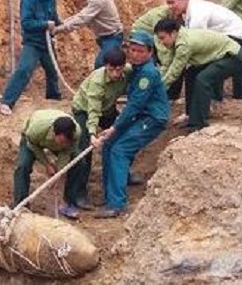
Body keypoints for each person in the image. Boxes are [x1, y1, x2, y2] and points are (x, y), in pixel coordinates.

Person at [95, 31, 170, 218]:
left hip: (151, 119)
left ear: (150, 52)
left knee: (120, 150)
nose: (135, 54)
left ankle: (117, 204)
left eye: (140, 51)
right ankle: (117, 185)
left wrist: (115, 127)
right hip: (141, 116)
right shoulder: (136, 69)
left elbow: (134, 105)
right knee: (109, 146)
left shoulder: (147, 74)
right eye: (132, 50)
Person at [163, 0, 242, 105]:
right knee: (215, 63)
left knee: (214, 64)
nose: (171, 7)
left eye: (172, 2)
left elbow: (196, 45)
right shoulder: (192, 9)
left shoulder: (197, 14)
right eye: (168, 4)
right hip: (229, 33)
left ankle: (231, 100)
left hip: (237, 34)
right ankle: (221, 98)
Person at [154, 19, 242, 131]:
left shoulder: (184, 44)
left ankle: (199, 123)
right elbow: (168, 64)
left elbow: (175, 72)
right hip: (219, 56)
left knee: (203, 79)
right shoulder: (178, 39)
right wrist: (158, 82)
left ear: (173, 33)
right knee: (191, 74)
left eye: (163, 38)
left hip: (233, 56)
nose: (162, 42)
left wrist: (159, 89)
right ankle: (191, 115)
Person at [71, 47, 132, 210]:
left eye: (118, 69)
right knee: (85, 150)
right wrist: (92, 134)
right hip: (85, 110)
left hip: (108, 108)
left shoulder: (128, 71)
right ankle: (79, 193)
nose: (115, 73)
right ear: (106, 66)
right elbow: (93, 110)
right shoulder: (98, 82)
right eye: (111, 69)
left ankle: (124, 175)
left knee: (123, 136)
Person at [0, 0, 62, 116]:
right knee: (24, 70)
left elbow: (54, 16)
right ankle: (6, 102)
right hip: (33, 43)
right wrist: (45, 24)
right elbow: (26, 23)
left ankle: (53, 100)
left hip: (47, 42)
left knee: (53, 71)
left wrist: (62, 25)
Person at [12, 109, 83, 219]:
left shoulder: (76, 133)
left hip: (54, 140)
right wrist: (47, 164)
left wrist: (59, 173)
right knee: (23, 166)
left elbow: (66, 151)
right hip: (33, 142)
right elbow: (33, 145)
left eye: (66, 142)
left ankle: (69, 202)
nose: (64, 144)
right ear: (54, 134)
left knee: (80, 163)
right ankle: (21, 204)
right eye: (62, 141)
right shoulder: (36, 130)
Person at [53, 0, 123, 69]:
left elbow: (82, 19)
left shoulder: (97, 0)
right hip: (103, 37)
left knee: (101, 64)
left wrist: (59, 29)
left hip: (113, 36)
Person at [131, 5, 183, 100]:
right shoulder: (159, 16)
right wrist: (166, 61)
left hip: (153, 35)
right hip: (140, 33)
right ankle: (141, 87)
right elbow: (159, 41)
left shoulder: (174, 14)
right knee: (148, 61)